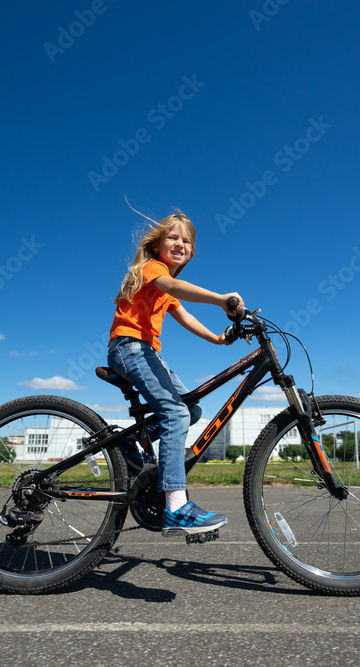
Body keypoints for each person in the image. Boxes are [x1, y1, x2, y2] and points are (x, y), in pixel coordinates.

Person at [106, 210, 243, 537]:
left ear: (192, 250)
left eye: (187, 240)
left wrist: (217, 338)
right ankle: (177, 507)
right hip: (130, 347)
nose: (181, 243)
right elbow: (175, 287)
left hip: (147, 352)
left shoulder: (165, 289)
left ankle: (128, 442)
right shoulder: (153, 269)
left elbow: (183, 314)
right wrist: (221, 299)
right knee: (176, 414)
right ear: (157, 244)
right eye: (174, 237)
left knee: (191, 408)